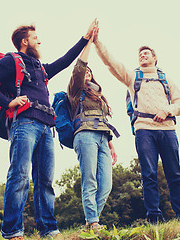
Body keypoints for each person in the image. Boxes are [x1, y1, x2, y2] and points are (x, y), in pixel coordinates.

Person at [0, 20, 98, 239]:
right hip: (24, 124)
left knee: (45, 181)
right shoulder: (10, 61)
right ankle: (13, 232)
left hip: (45, 127)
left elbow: (65, 61)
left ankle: (49, 230)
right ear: (25, 41)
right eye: (35, 38)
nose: (39, 41)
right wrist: (9, 103)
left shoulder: (40, 68)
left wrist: (85, 38)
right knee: (20, 176)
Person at [92, 27, 180, 223]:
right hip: (144, 129)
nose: (142, 56)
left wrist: (167, 110)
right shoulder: (133, 77)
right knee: (149, 174)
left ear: (155, 58)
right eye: (140, 54)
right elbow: (111, 63)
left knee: (175, 174)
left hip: (168, 129)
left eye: (146, 53)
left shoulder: (166, 80)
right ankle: (154, 217)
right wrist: (97, 43)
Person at [67, 27, 118, 230]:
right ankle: (93, 222)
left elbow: (103, 119)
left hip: (103, 138)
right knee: (90, 180)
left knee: (105, 185)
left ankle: (89, 223)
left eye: (90, 71)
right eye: (85, 71)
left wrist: (112, 144)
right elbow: (79, 67)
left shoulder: (99, 95)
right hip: (85, 135)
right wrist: (89, 43)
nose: (87, 72)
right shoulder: (75, 90)